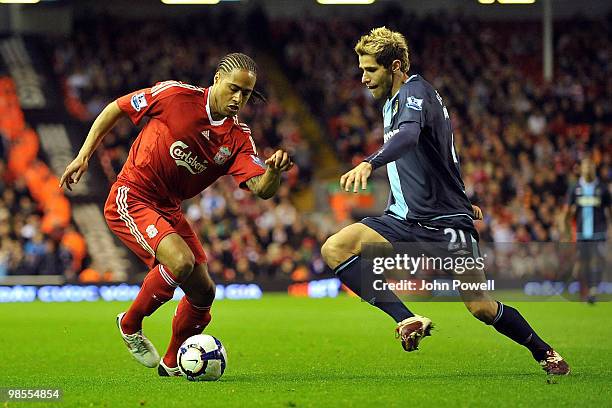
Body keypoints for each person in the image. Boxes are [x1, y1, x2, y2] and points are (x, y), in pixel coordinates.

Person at [320, 27, 569, 375]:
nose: (362, 78)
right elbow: (431, 159)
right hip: (405, 220)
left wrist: (368, 162)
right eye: (361, 70)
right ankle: (407, 319)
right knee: (336, 248)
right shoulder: (394, 103)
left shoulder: (415, 92)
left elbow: (408, 138)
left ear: (394, 66)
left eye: (369, 70)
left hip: (445, 225)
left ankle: (544, 352)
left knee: (481, 307)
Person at [60, 53, 293, 376]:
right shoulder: (175, 95)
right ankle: (129, 324)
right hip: (133, 196)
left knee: (204, 292)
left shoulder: (238, 138)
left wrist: (274, 173)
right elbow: (117, 107)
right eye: (234, 88)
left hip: (169, 210)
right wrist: (84, 156)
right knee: (180, 262)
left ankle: (171, 364)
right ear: (216, 81)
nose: (239, 98)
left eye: (247, 94)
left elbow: (261, 188)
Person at [564, 157, 610, 304]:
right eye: (586, 167)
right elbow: (568, 211)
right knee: (583, 263)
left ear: (594, 169)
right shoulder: (575, 188)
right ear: (581, 169)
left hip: (599, 231)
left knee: (596, 260)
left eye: (591, 167)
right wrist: (566, 230)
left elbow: (610, 210)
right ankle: (586, 291)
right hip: (581, 232)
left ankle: (593, 291)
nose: (588, 169)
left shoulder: (602, 189)